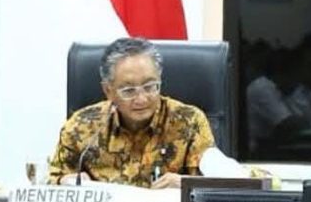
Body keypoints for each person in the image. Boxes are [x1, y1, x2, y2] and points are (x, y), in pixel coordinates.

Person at [48, 38, 215, 189]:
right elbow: (49, 181)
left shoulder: (190, 122)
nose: (141, 99)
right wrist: (65, 181)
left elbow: (214, 188)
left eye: (150, 87)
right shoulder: (81, 126)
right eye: (128, 91)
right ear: (108, 91)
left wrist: (184, 184)